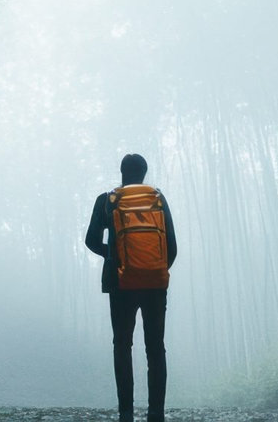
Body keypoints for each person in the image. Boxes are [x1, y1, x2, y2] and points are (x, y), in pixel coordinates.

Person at [85, 153, 176, 422]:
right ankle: (156, 413)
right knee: (155, 347)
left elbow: (91, 240)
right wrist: (156, 270)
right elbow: (172, 246)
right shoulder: (158, 199)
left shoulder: (107, 200)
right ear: (144, 173)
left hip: (120, 283)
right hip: (154, 285)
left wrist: (114, 256)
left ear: (122, 172)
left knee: (123, 345)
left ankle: (126, 412)